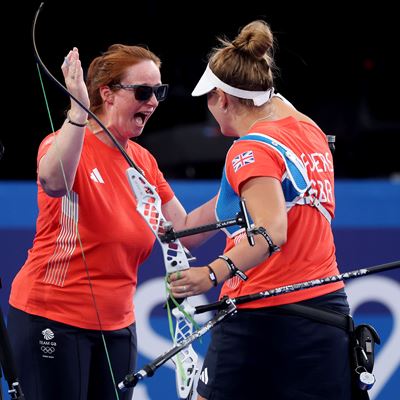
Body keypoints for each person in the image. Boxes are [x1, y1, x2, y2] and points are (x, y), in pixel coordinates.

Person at [7, 44, 217, 400]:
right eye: (143, 92)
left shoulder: (144, 162)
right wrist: (77, 110)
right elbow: (54, 182)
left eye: (159, 92)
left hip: (118, 327)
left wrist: (238, 185)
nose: (153, 102)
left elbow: (183, 232)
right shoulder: (63, 143)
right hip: (52, 317)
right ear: (107, 93)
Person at [168, 20, 354, 400]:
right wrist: (186, 228)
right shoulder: (309, 129)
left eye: (209, 97)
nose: (209, 106)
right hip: (327, 310)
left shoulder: (246, 151)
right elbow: (263, 198)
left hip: (260, 313)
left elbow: (271, 231)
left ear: (222, 99)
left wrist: (211, 273)